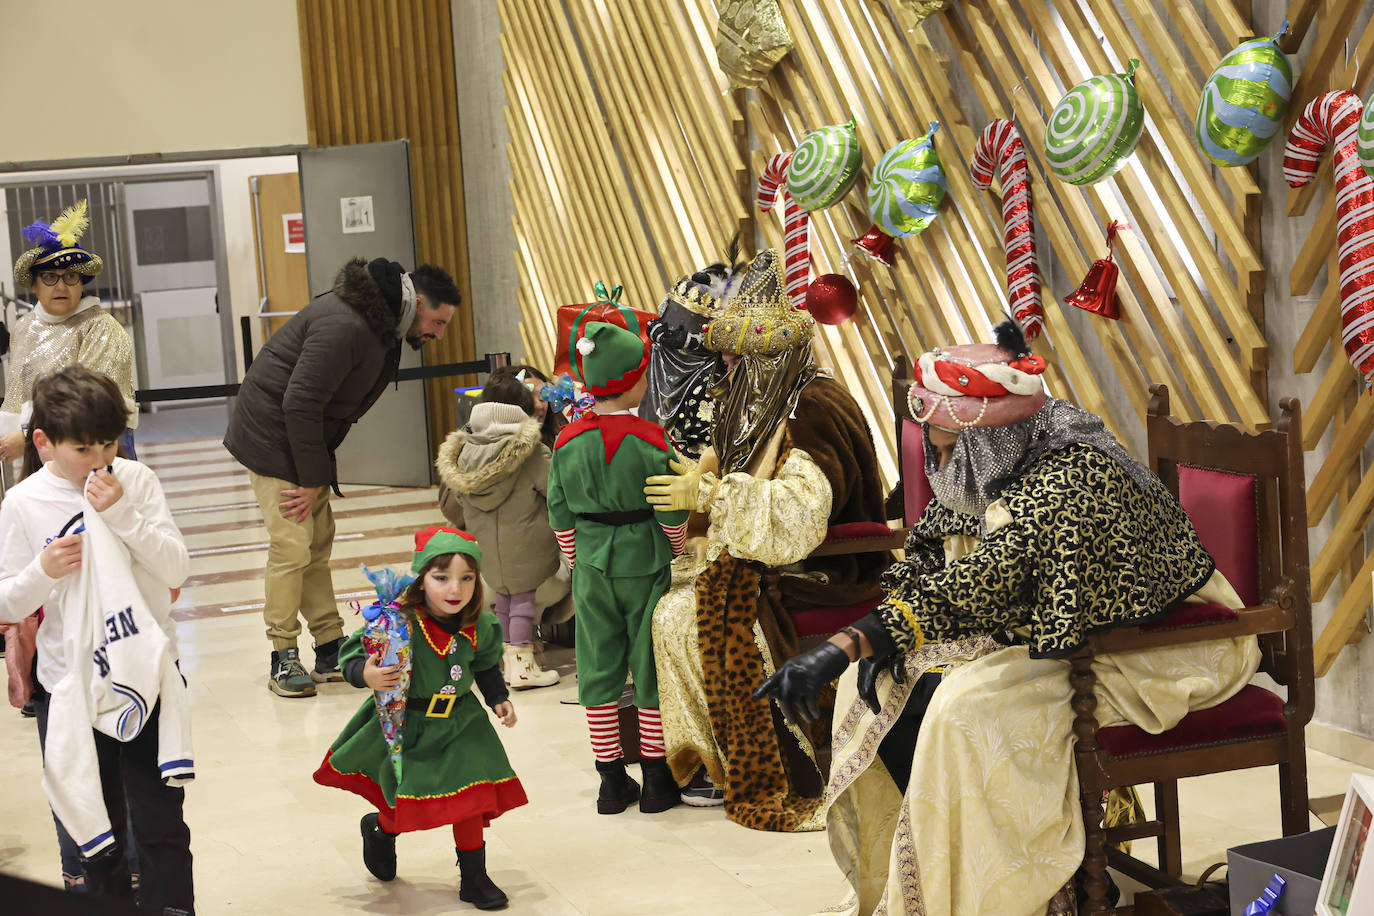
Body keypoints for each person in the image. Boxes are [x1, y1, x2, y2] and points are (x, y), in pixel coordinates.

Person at [755, 322, 1260, 916]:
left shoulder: (1073, 473)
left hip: (1164, 644)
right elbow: (932, 552)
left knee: (964, 710)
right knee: (893, 686)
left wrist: (846, 643)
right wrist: (889, 632)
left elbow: (992, 575)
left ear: (983, 440)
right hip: (1069, 629)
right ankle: (921, 887)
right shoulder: (1004, 451)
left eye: (945, 449)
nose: (938, 466)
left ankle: (1028, 894)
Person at [643, 248, 887, 829]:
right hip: (766, 560)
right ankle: (715, 760)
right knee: (671, 600)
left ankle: (761, 766)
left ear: (772, 357)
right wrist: (703, 475)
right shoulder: (761, 399)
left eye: (738, 359)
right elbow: (741, 464)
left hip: (819, 571)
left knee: (681, 616)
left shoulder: (813, 408)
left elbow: (798, 518)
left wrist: (708, 497)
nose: (726, 370)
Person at [0, 365, 194, 914]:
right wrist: (43, 570)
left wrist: (122, 513)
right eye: (83, 448)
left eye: (108, 443)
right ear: (43, 443)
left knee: (161, 827)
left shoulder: (136, 480)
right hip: (71, 687)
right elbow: (6, 601)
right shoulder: (23, 504)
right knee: (96, 829)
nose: (100, 459)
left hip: (146, 673)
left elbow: (177, 565)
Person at [223, 258, 459, 698]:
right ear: (419, 302)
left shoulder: (379, 323)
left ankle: (330, 646)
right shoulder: (349, 324)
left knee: (316, 543)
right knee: (292, 546)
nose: (439, 334)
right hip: (273, 437)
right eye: (438, 321)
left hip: (298, 438)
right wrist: (312, 477)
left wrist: (315, 472)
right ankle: (283, 654)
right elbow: (300, 402)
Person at [312, 526, 524, 910]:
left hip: (462, 722)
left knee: (471, 798)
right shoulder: (398, 623)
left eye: (466, 578)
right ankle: (380, 830)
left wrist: (498, 698)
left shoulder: (482, 625)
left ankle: (474, 878)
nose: (454, 589)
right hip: (405, 725)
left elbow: (486, 664)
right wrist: (368, 674)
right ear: (420, 579)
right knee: (407, 804)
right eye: (441, 578)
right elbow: (351, 657)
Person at [546, 321, 690, 815]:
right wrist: (676, 549)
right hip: (645, 561)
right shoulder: (653, 440)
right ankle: (655, 779)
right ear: (631, 382)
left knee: (598, 666)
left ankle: (610, 782)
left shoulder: (566, 442)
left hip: (590, 563)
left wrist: (575, 558)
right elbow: (671, 510)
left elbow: (558, 510)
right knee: (647, 665)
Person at [435, 371, 562, 688]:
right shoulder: (531, 451)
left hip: (487, 556)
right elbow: (558, 493)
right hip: (530, 551)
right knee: (523, 604)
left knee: (506, 603)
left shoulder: (464, 452)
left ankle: (509, 660)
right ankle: (523, 666)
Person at [3, 199, 137, 463]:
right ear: (34, 286)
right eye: (50, 277)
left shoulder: (100, 327)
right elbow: (17, 392)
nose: (60, 286)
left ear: (81, 283)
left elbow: (90, 400)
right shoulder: (25, 326)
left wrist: (26, 435)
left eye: (70, 277)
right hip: (38, 444)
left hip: (95, 444)